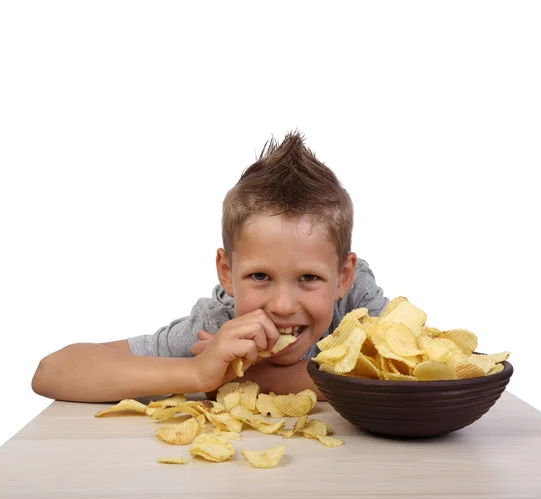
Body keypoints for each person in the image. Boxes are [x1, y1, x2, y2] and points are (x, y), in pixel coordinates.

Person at [31, 131, 389, 403]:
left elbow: (411, 376)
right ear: (226, 272)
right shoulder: (218, 328)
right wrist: (197, 372)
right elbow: (53, 371)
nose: (282, 305)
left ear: (343, 276)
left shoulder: (359, 306)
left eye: (309, 278)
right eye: (260, 276)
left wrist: (260, 379)